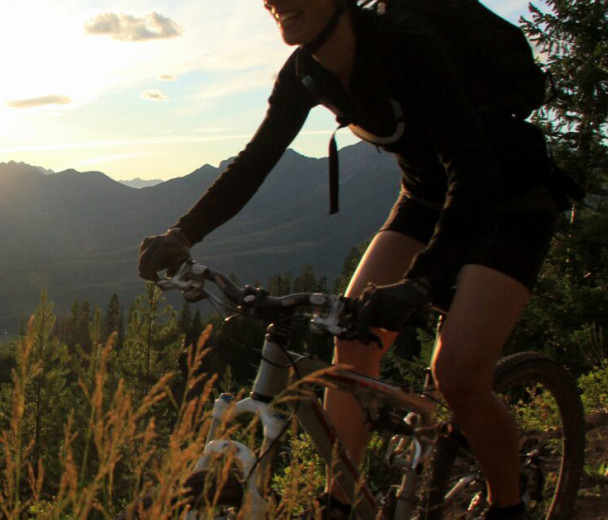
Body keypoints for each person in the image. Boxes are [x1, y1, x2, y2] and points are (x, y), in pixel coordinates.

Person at [138, 0, 564, 518]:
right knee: (349, 349)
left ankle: (508, 506)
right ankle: (342, 506)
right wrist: (183, 233)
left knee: (457, 374)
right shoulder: (306, 72)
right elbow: (255, 161)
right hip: (426, 201)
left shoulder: (407, 44)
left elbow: (474, 175)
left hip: (509, 202)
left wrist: (423, 282)